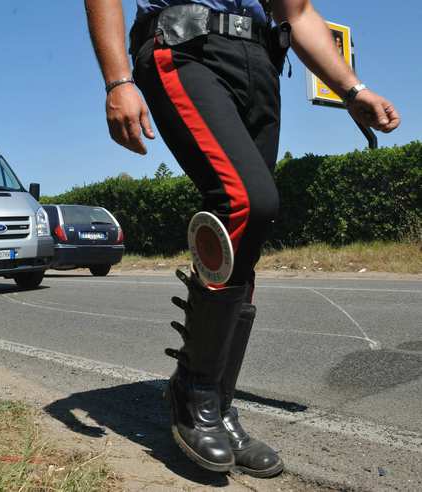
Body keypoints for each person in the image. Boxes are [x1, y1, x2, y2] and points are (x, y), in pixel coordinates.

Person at [84, 0, 399, 477]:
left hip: (260, 61)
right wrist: (118, 80)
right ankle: (194, 394)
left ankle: (216, 401)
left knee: (248, 231)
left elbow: (299, 13)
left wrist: (352, 89)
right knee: (245, 200)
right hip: (184, 47)